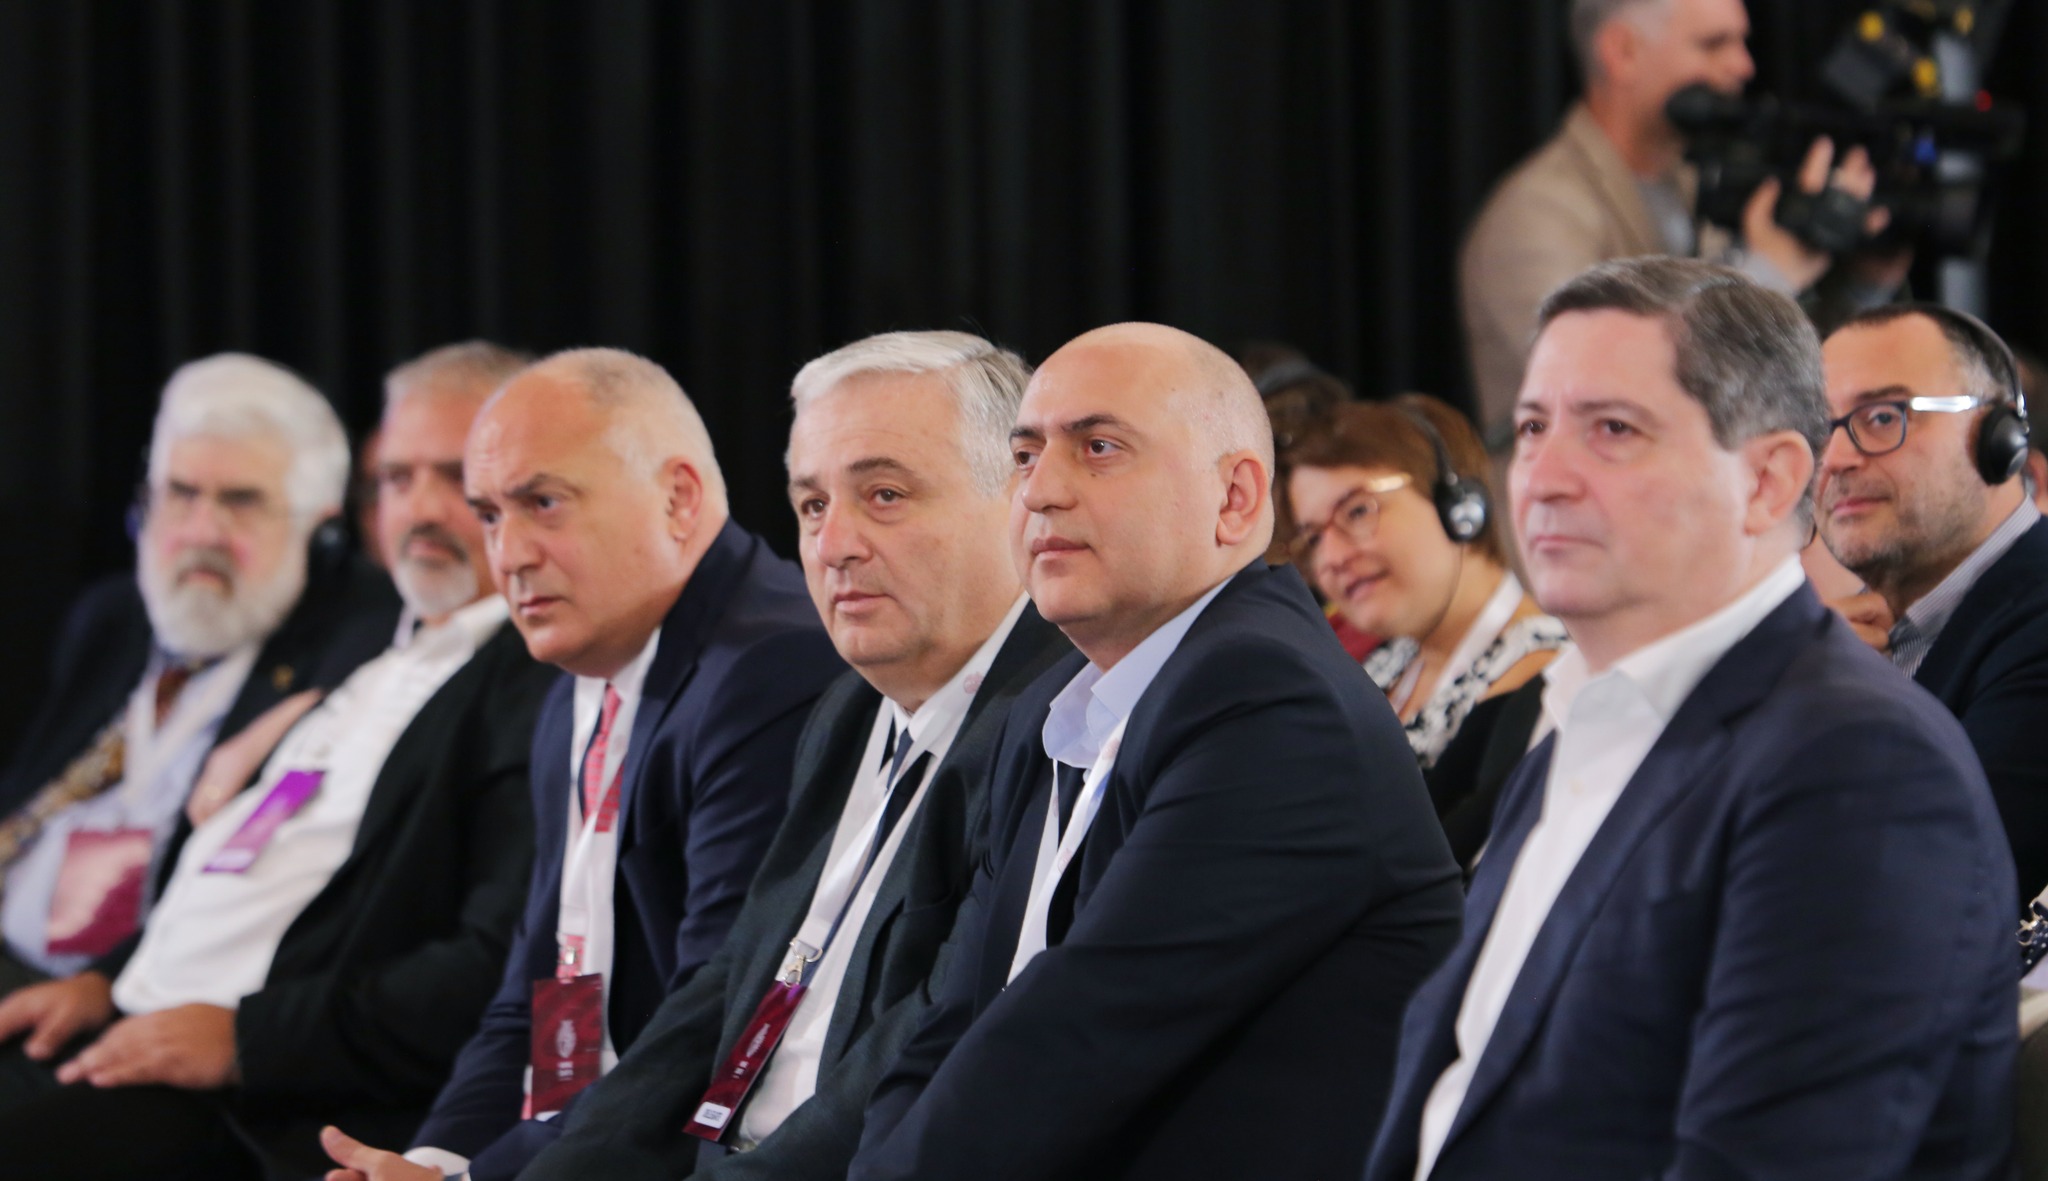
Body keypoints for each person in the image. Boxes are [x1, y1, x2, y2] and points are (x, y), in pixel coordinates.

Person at [346, 331, 1069, 1181]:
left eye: (884, 494)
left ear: (1017, 496)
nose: (833, 544)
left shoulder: (1050, 726)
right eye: (811, 505)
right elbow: (706, 993)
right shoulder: (848, 709)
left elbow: (919, 1052)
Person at [1368, 257, 2014, 1181]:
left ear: (1768, 481)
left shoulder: (1858, 767)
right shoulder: (1578, 725)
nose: (1543, 476)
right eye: (1534, 426)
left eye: (1613, 429)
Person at [848, 323, 1464, 1180]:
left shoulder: (1271, 702)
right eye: (1025, 455)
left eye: (1098, 448)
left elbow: (1077, 1039)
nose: (1039, 491)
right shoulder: (1043, 711)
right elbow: (950, 1027)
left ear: (1235, 499)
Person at [0, 342, 551, 1179]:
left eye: (458, 479)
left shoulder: (531, 679)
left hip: (261, 1094)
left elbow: (493, 964)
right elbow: (242, 877)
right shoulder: (381, 661)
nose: (422, 509)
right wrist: (106, 981)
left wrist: (246, 1039)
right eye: (396, 478)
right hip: (126, 1020)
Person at [325, 348, 843, 1180]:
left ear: (678, 498)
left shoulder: (766, 671)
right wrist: (433, 1156)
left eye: (543, 503)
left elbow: (714, 1020)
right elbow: (534, 997)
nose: (509, 554)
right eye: (490, 514)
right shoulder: (577, 684)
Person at [0, 354, 396, 997]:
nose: (201, 532)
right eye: (181, 494)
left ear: (320, 533)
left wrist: (104, 985)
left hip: (140, 995)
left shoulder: (359, 647)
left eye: (242, 501)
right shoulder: (114, 618)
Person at [1460, 0, 1900, 446]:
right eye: (1714, 44)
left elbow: (1780, 377)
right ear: (1622, 51)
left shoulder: (1695, 186)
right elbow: (1602, 382)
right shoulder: (1536, 214)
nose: (1744, 66)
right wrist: (1771, 271)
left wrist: (1864, 287)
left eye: (1741, 42)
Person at [1812, 303, 2048, 900]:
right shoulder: (1833, 645)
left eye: (1883, 417)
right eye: (1818, 427)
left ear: (2000, 439)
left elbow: (1929, 885)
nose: (1835, 458)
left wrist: (1809, 708)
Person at [1280, 394, 1565, 769]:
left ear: (1458, 506)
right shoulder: (1392, 658)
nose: (1331, 558)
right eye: (1313, 538)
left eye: (1357, 511)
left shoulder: (1543, 689)